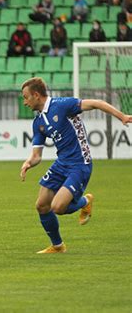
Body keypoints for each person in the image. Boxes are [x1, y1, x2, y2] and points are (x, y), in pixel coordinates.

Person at [20, 77, 132, 253]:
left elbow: (96, 103)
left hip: (80, 163)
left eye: (26, 97)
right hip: (61, 163)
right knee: (41, 205)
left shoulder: (62, 105)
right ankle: (58, 246)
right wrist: (28, 163)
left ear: (36, 95)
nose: (24, 102)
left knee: (57, 207)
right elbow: (36, 156)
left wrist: (122, 116)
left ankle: (85, 201)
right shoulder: (38, 122)